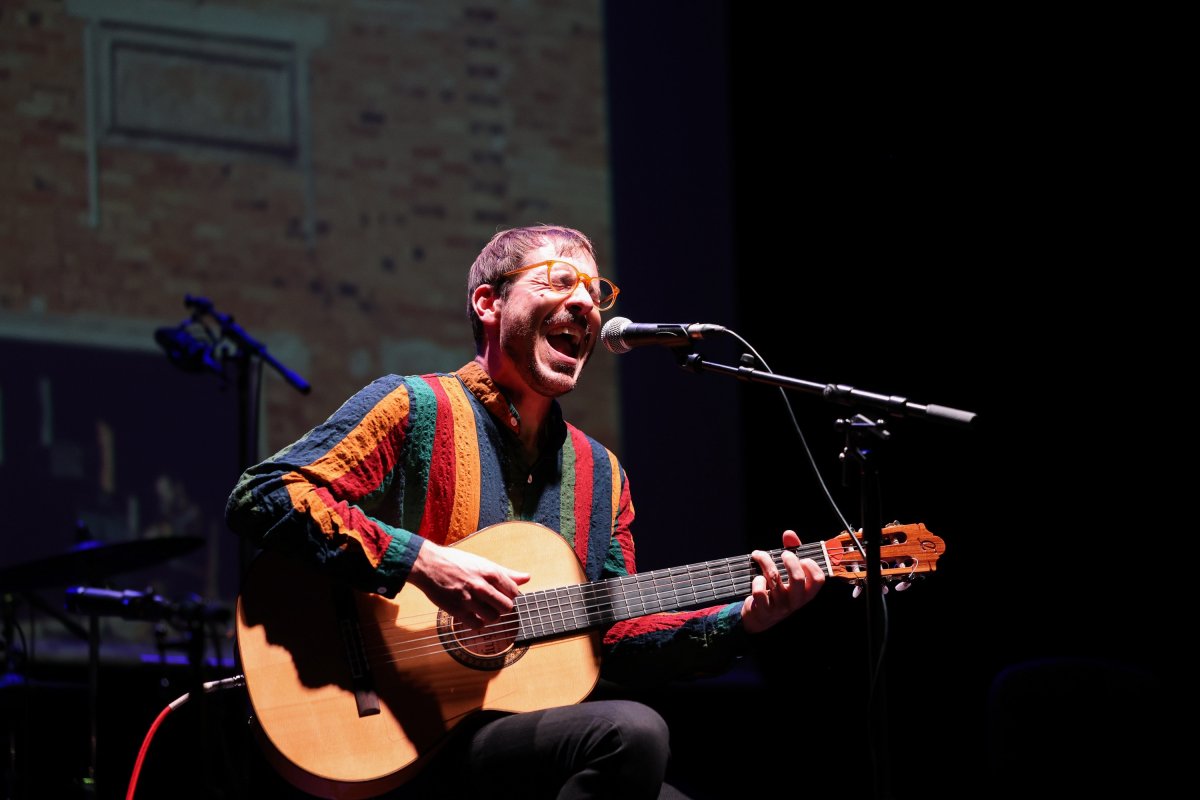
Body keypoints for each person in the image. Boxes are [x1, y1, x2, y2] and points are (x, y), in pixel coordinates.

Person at [225, 224, 826, 799]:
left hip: (510, 742)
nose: (585, 303)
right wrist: (422, 562)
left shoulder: (602, 475)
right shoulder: (414, 406)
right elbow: (264, 494)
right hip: (392, 729)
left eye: (595, 291)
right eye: (560, 280)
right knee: (632, 734)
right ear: (489, 303)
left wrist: (744, 621)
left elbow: (614, 638)